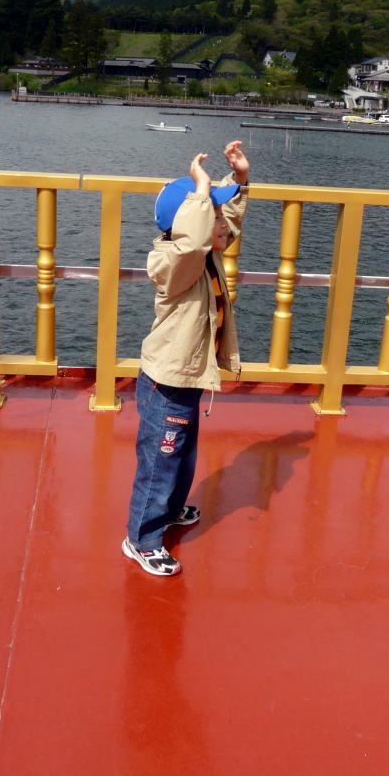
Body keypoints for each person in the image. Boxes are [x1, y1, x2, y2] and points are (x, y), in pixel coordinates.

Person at [122, 141, 250, 576]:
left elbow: (222, 225)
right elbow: (192, 242)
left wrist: (238, 181)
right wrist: (200, 189)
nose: (222, 224)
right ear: (188, 224)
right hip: (167, 381)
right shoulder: (173, 264)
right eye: (212, 214)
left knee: (182, 454)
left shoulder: (205, 253)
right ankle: (141, 538)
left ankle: (171, 508)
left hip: (189, 376)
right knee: (160, 461)